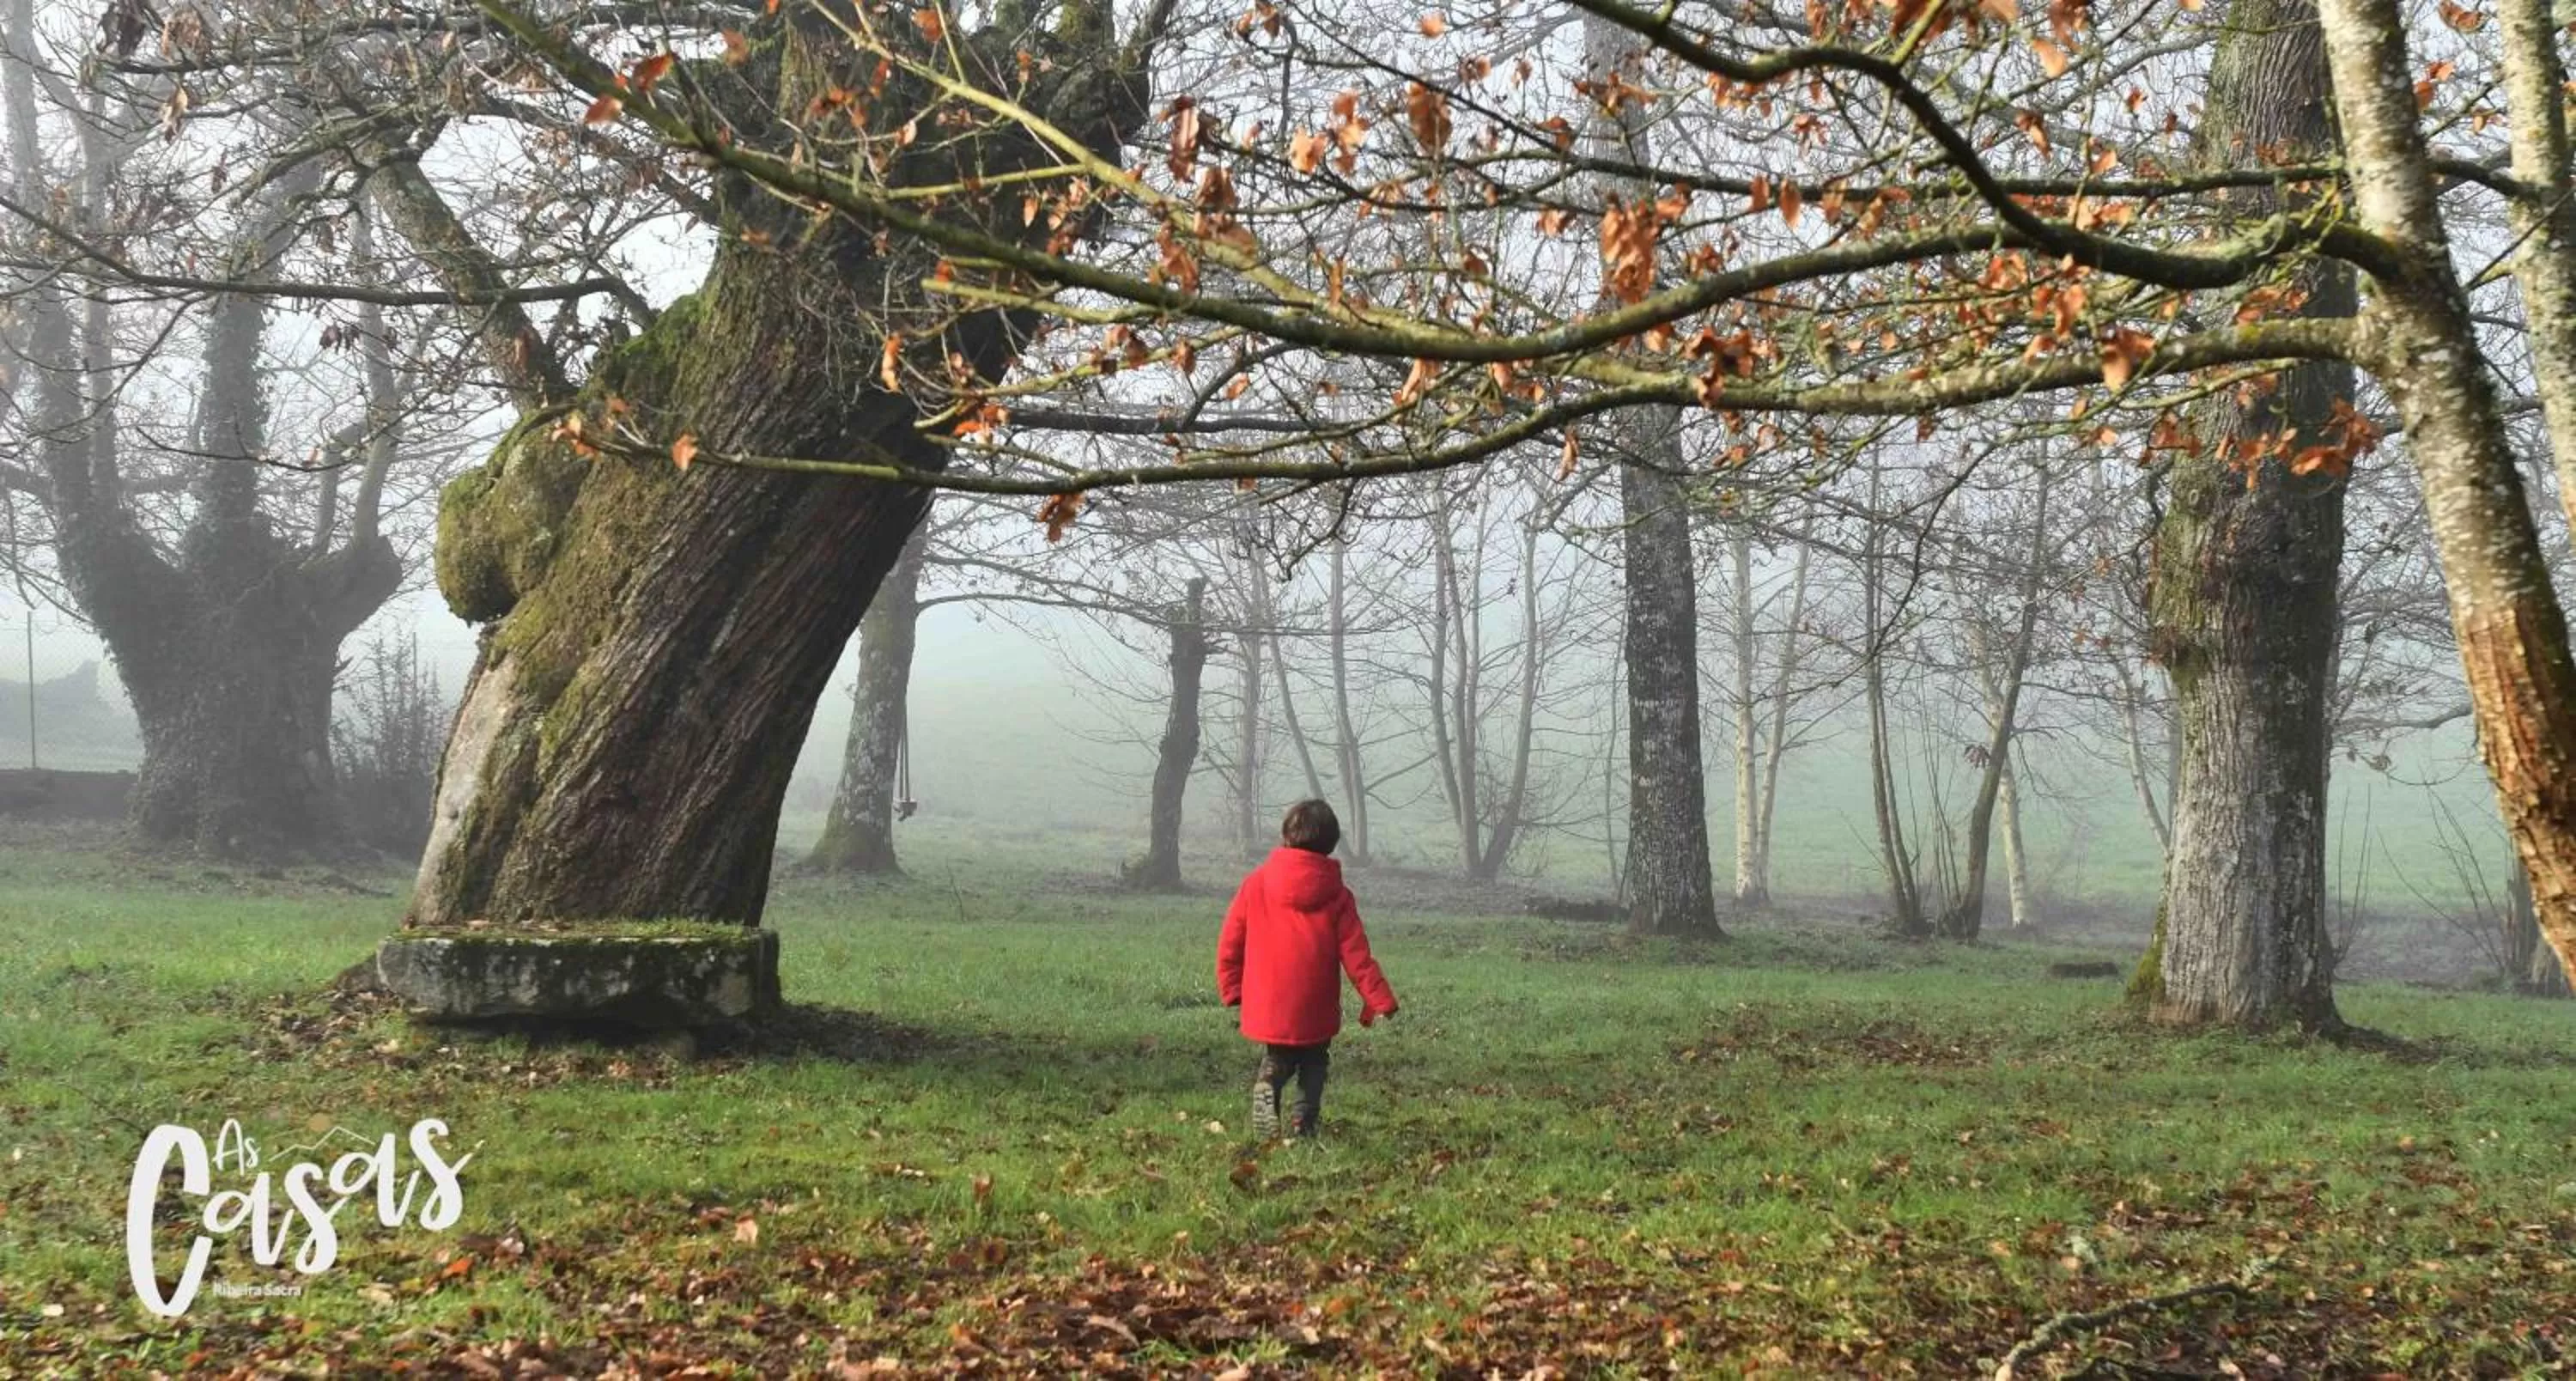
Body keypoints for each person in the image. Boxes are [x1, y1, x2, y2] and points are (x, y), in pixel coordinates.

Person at [1217, 800, 1399, 1141]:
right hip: (1314, 1000)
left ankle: (1270, 1077)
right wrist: (1381, 998)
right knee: (1315, 1062)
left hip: (1268, 997)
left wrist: (1231, 986)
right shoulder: (1338, 896)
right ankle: (1303, 1123)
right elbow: (1357, 955)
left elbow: (1231, 940)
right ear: (1331, 845)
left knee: (1279, 1051)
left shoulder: (1255, 885)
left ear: (1286, 837)